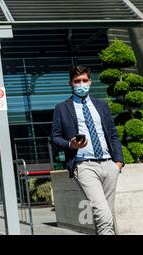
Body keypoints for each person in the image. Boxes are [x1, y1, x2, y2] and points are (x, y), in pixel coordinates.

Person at [52, 66, 125, 235]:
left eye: (85, 80)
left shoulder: (101, 106)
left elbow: (112, 134)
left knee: (107, 214)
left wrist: (118, 162)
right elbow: (55, 137)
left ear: (90, 82)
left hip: (109, 165)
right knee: (103, 213)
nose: (81, 84)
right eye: (77, 81)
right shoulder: (62, 108)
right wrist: (71, 145)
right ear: (71, 83)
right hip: (84, 166)